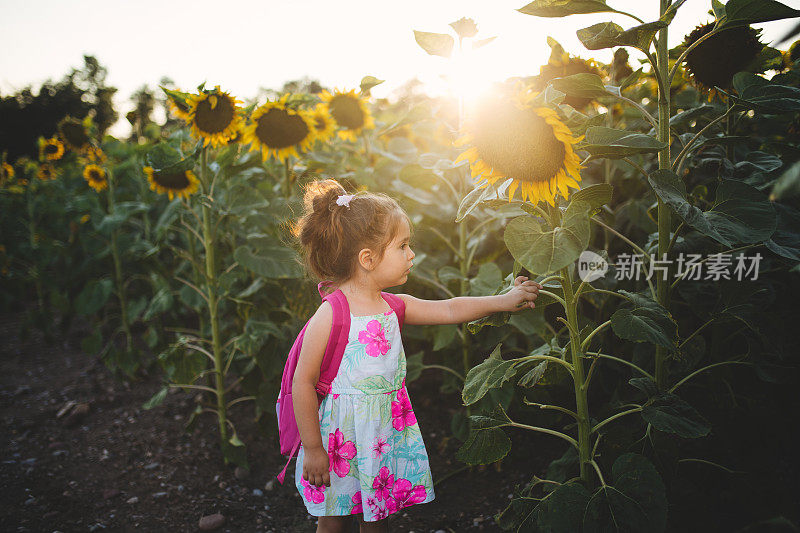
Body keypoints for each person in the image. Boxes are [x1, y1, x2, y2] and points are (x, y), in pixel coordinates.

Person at [290, 178, 541, 533]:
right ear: (367, 259)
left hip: (382, 434)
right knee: (333, 519)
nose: (411, 255)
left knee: (377, 518)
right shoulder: (332, 313)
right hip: (339, 441)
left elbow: (451, 309)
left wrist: (504, 300)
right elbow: (304, 381)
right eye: (403, 246)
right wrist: (314, 448)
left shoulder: (394, 306)